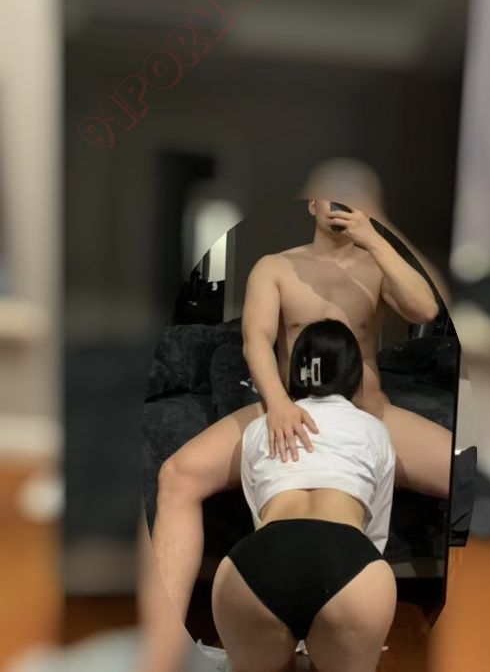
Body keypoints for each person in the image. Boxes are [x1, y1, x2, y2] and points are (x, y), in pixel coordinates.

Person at [152, 199, 451, 620]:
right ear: (312, 203)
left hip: (367, 412)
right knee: (177, 475)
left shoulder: (377, 266)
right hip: (289, 407)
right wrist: (276, 405)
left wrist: (374, 237)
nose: (339, 203)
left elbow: (426, 309)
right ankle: (165, 638)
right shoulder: (275, 267)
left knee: (467, 474)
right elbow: (255, 339)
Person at [212, 319, 396, 672]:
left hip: (256, 562)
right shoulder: (375, 429)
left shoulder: (258, 428)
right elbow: (376, 528)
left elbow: (259, 515)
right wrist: (369, 615)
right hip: (351, 565)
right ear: (354, 374)